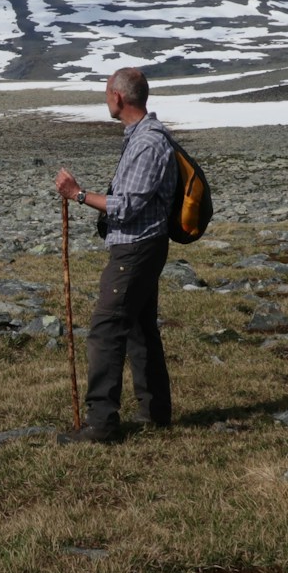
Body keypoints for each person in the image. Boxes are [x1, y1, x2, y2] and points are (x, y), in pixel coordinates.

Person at [54, 66, 177, 443]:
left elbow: (127, 206)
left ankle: (102, 424)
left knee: (106, 330)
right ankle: (155, 413)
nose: (106, 98)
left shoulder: (147, 143)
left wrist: (78, 194)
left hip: (136, 248)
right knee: (140, 328)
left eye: (107, 93)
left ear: (118, 98)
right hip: (143, 245)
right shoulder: (142, 137)